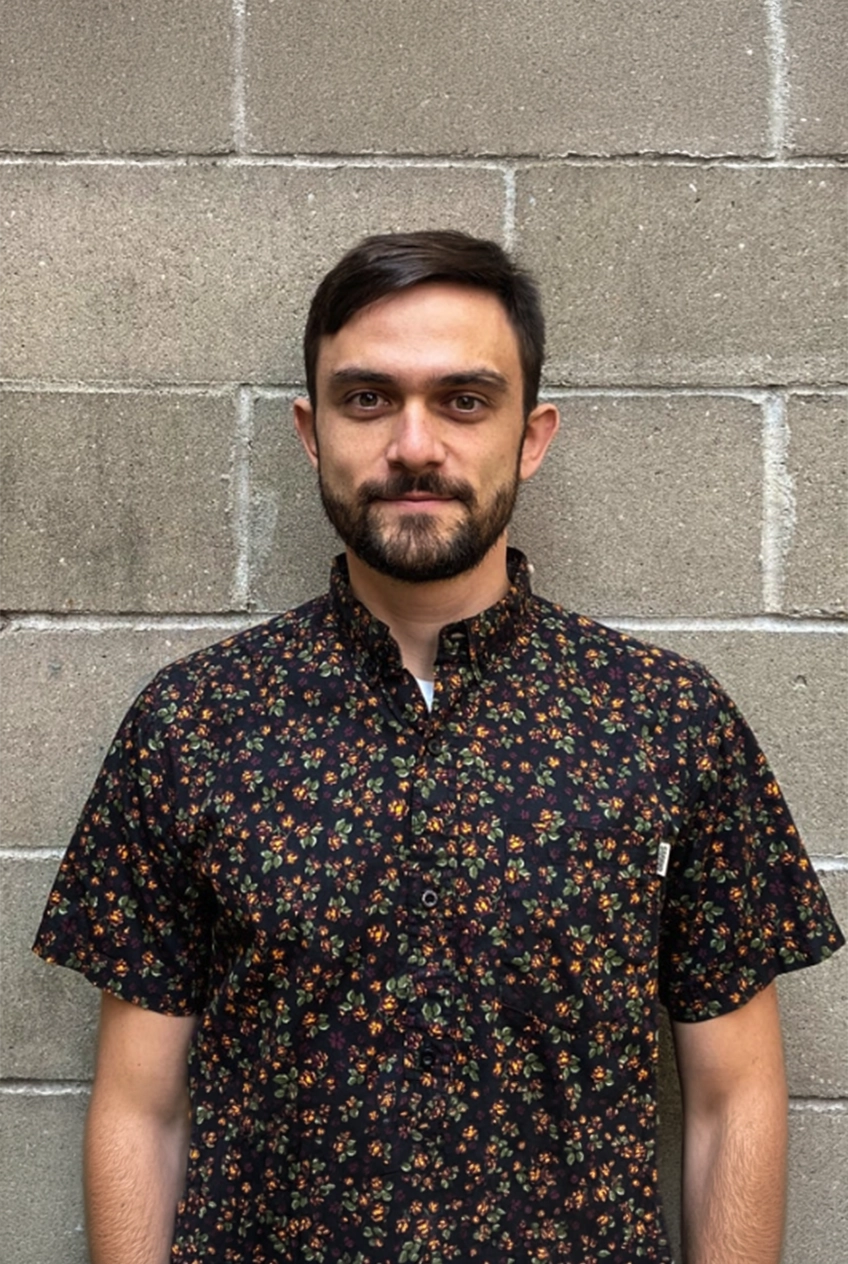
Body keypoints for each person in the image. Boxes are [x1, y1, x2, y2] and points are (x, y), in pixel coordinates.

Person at [35, 230, 843, 1264]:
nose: (414, 444)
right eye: (367, 398)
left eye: (463, 400)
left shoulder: (666, 721)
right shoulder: (194, 725)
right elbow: (139, 1112)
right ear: (310, 430)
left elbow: (732, 1105)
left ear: (531, 436)